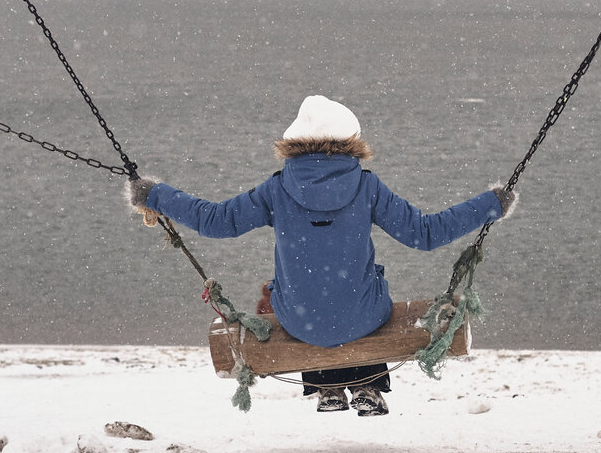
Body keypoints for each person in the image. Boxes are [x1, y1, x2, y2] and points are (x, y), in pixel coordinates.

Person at [127, 95, 516, 416]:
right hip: (363, 316)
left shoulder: (276, 189)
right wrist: (491, 204)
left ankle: (328, 389)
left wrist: (155, 194)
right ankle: (367, 386)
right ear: (350, 141)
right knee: (359, 296)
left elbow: (216, 221)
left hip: (300, 322)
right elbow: (426, 233)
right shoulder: (367, 186)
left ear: (295, 145)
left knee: (300, 296)